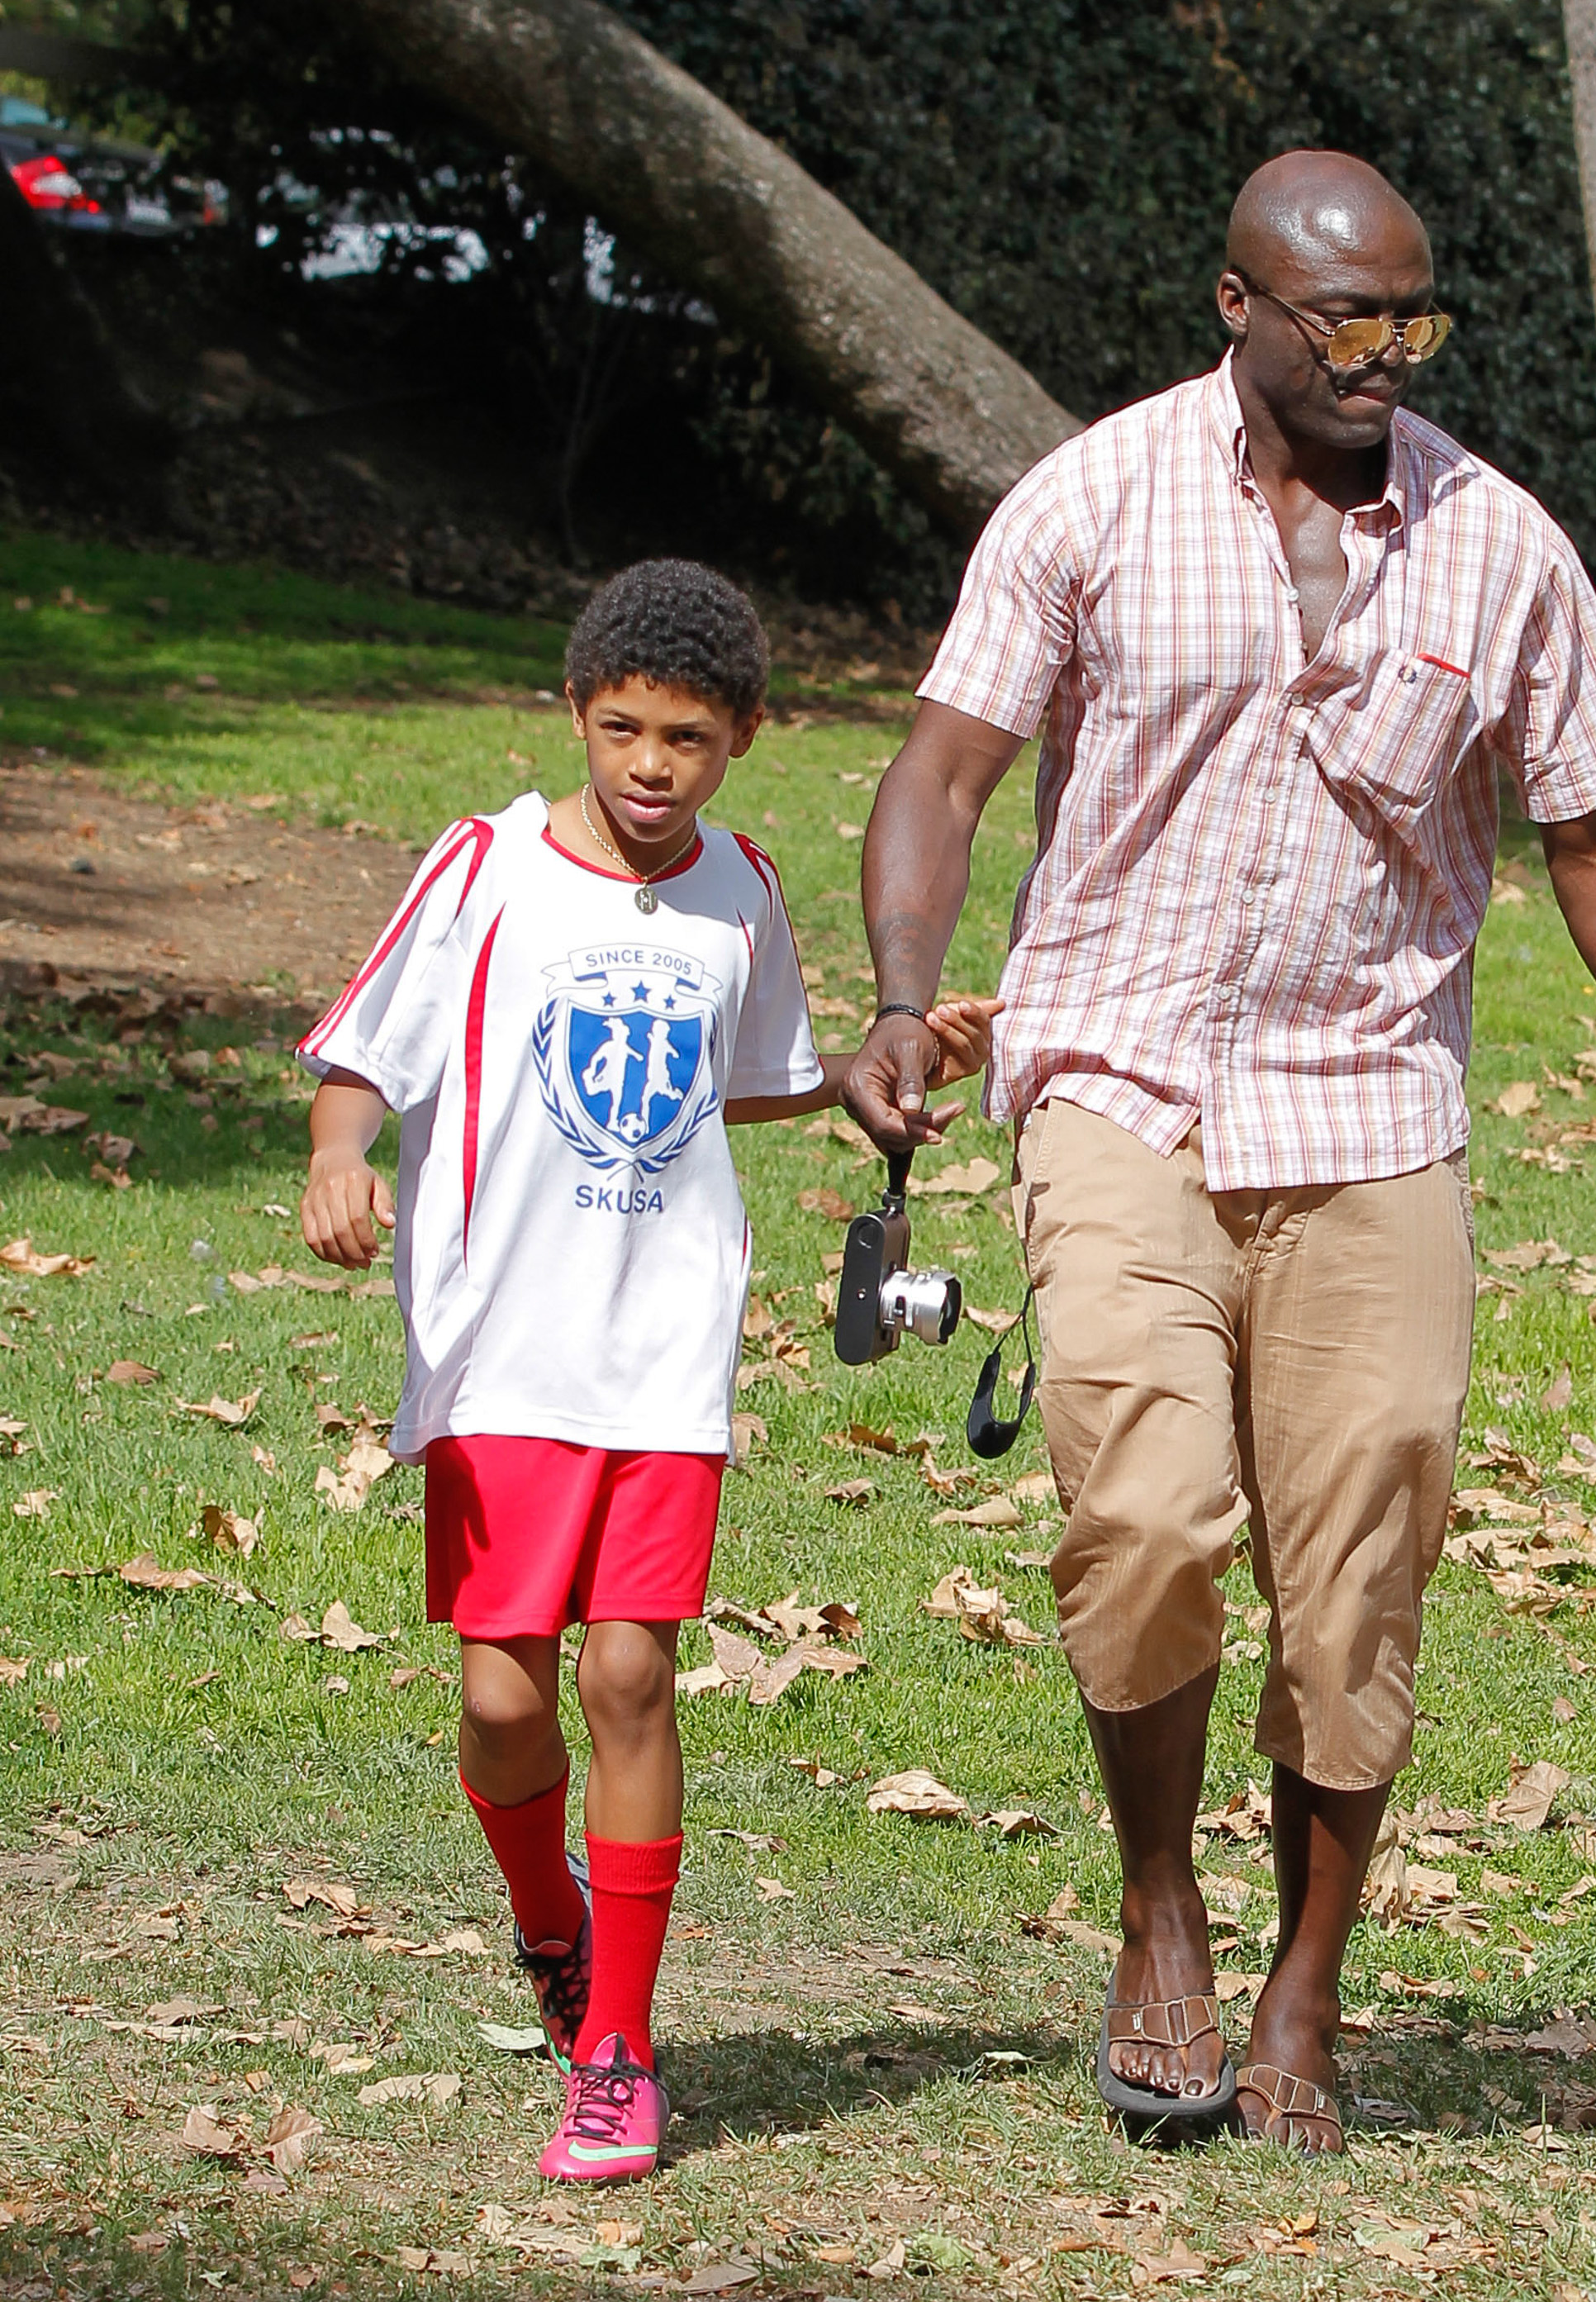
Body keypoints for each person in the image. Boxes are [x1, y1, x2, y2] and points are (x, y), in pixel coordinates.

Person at [846, 151, 1596, 2149]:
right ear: (1237, 310)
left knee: (1360, 1576)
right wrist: (909, 990)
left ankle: (1305, 1984)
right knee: (1150, 1511)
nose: (1382, 354)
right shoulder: (1086, 502)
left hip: (1367, 1111)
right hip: (1118, 1079)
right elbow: (945, 764)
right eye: (1343, 318)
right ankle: (1158, 1903)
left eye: (1410, 319)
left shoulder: (1498, 547)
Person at [297, 559, 995, 2185]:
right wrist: (342, 1161)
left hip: (660, 1337)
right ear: (575, 709)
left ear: (743, 735)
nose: (648, 764)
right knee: (497, 1695)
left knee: (628, 1676)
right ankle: (548, 1921)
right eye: (621, 727)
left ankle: (613, 2046)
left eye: (686, 735)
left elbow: (737, 1078)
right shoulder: (479, 870)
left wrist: (861, 1080)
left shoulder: (740, 887)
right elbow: (361, 1054)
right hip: (497, 1344)